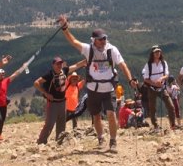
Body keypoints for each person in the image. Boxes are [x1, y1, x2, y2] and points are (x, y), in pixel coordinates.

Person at [57, 15, 139, 153]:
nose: (103, 41)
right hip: (93, 89)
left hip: (108, 89)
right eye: (100, 39)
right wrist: (65, 28)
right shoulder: (88, 49)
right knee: (96, 116)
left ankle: (113, 141)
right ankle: (101, 138)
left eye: (104, 38)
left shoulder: (111, 50)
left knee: (111, 114)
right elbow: (73, 41)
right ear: (94, 40)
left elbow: (123, 65)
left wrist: (130, 79)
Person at [34, 57, 71, 144]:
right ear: (53, 65)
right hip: (52, 103)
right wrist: (46, 93)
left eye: (60, 63)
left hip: (62, 101)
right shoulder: (49, 75)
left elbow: (77, 65)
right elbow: (36, 83)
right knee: (49, 124)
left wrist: (87, 60)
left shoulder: (64, 71)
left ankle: (60, 142)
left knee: (62, 123)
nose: (59, 65)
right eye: (57, 64)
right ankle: (41, 142)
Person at [142, 45, 178, 131]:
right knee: (152, 108)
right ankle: (156, 126)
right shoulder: (148, 65)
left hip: (162, 87)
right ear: (153, 54)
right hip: (152, 89)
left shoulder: (163, 63)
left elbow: (166, 74)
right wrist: (155, 83)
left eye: (158, 52)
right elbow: (146, 79)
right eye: (155, 52)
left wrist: (161, 79)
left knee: (171, 106)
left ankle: (173, 125)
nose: (157, 53)